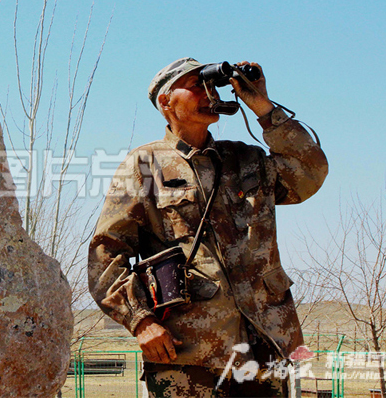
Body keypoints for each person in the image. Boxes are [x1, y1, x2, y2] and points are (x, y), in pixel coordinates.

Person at [88, 58, 328, 397]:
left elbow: (309, 172)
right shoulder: (144, 165)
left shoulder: (248, 160)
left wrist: (262, 106)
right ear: (166, 102)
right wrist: (141, 321)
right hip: (188, 358)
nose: (208, 92)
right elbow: (106, 253)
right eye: (195, 85)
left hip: (261, 349)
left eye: (210, 85)